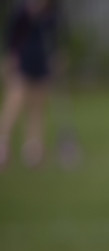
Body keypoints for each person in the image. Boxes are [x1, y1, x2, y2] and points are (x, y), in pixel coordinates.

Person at [0, 0, 62, 170]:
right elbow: (12, 36)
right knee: (14, 104)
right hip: (22, 61)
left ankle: (33, 149)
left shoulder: (52, 12)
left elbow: (55, 38)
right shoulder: (22, 10)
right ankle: (3, 144)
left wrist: (57, 57)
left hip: (41, 62)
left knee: (37, 108)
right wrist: (9, 59)